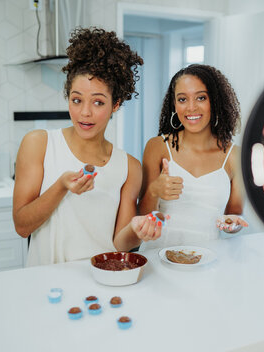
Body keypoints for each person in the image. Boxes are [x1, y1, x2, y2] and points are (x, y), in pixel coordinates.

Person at [13, 27, 163, 266]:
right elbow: (22, 226)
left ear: (116, 104)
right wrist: (61, 186)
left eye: (98, 102)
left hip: (100, 280)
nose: (85, 112)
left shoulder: (129, 167)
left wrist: (137, 229)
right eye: (76, 100)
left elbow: (119, 244)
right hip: (46, 283)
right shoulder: (39, 143)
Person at [138, 64, 248, 250]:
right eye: (182, 99)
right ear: (174, 104)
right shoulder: (157, 147)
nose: (191, 107)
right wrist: (154, 191)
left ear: (215, 101)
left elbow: (234, 214)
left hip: (208, 262)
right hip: (157, 260)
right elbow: (142, 217)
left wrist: (233, 224)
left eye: (201, 98)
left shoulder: (234, 157)